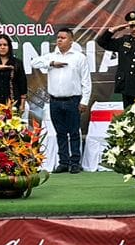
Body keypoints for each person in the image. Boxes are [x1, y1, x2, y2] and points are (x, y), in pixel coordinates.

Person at [30, 27, 92, 174]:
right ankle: (63, 162)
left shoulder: (79, 57)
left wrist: (84, 101)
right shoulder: (51, 56)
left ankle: (75, 162)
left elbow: (86, 82)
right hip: (55, 101)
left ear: (71, 41)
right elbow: (34, 63)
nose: (59, 40)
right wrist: (51, 63)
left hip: (73, 100)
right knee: (60, 132)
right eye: (58, 37)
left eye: (63, 38)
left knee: (74, 132)